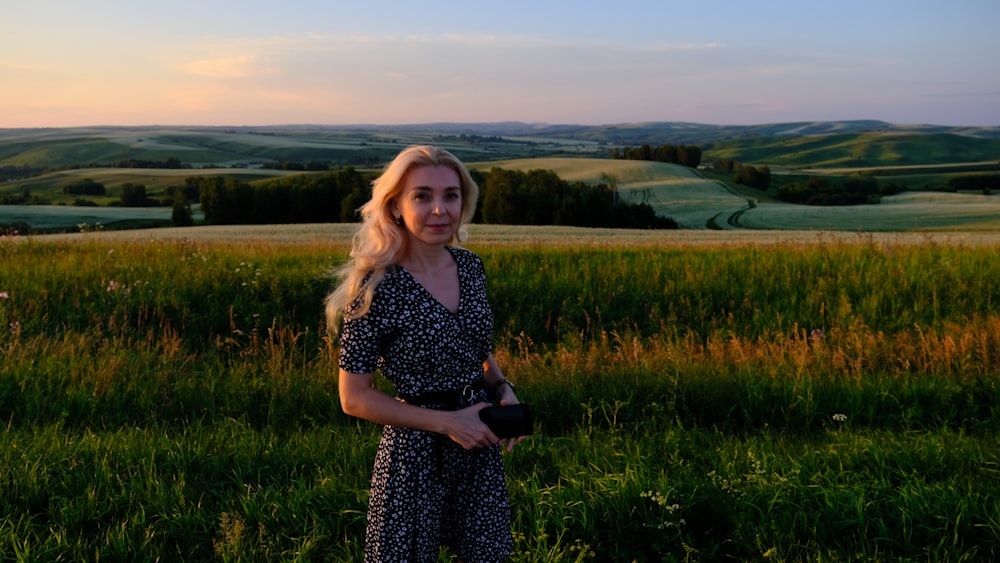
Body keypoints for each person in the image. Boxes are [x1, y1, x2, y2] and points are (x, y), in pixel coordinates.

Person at [325, 145, 527, 562]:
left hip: (478, 444)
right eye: (422, 196)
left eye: (451, 196)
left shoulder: (471, 268)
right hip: (414, 455)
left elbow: (477, 348)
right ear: (395, 206)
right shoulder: (375, 287)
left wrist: (501, 387)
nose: (440, 209)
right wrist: (448, 423)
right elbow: (353, 397)